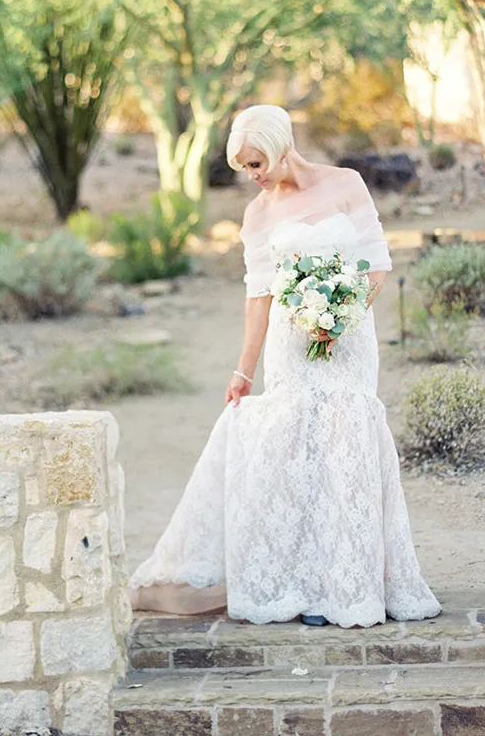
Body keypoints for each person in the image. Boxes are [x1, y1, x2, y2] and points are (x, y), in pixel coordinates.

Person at [129, 104, 441, 628]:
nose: (253, 176)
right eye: (245, 168)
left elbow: (378, 265)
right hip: (290, 348)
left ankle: (351, 584)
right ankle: (304, 584)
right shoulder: (257, 214)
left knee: (346, 448)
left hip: (350, 341)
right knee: (298, 452)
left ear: (279, 147)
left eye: (257, 164)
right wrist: (242, 372)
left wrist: (341, 317)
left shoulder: (346, 184)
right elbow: (259, 298)